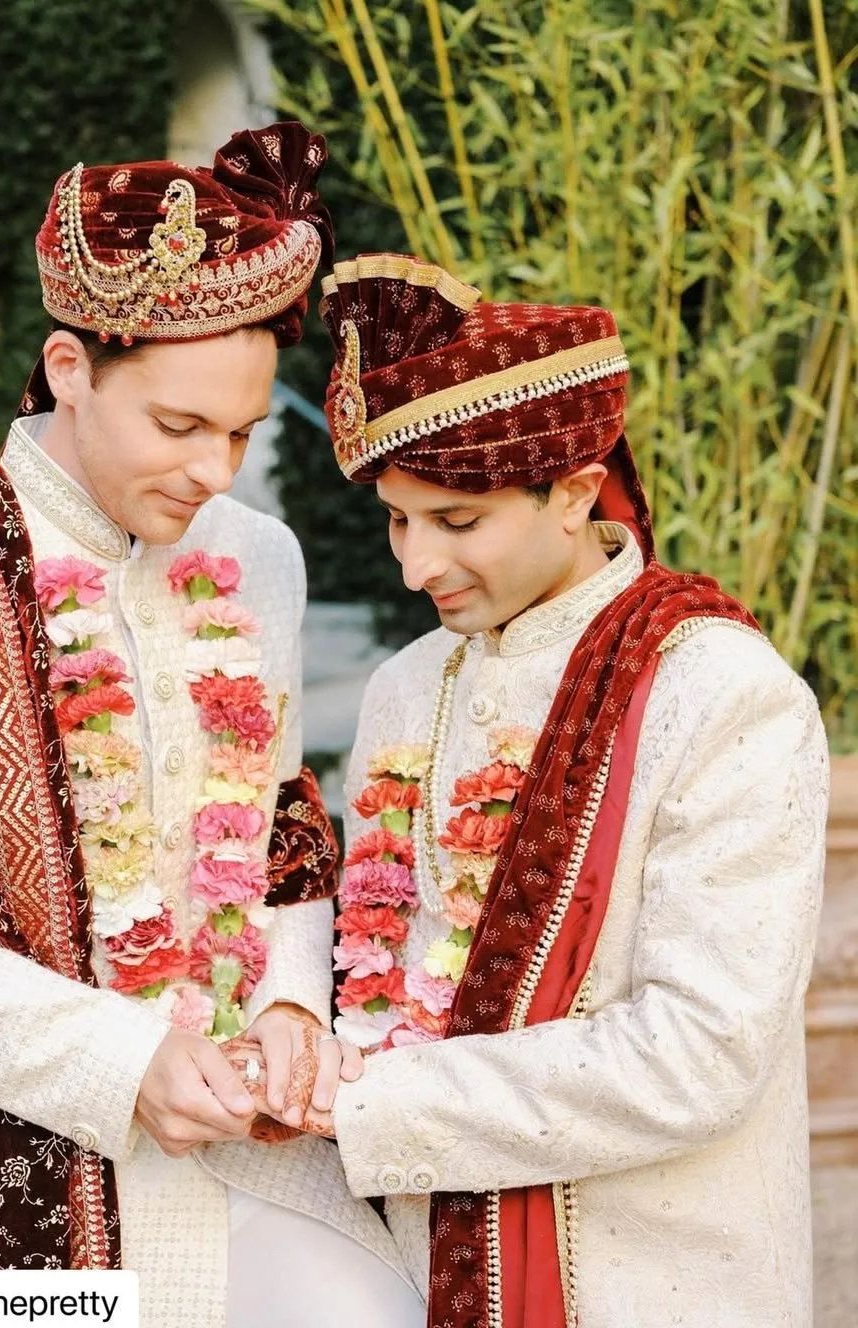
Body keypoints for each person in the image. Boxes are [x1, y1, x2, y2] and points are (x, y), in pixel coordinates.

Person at [0, 133, 424, 1327]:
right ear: (69, 366)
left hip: (247, 1159)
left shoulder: (259, 558)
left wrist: (289, 1002)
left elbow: (281, 823)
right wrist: (121, 1061)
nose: (214, 469)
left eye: (241, 433)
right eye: (179, 424)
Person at [317, 254, 828, 1327]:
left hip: (646, 1286)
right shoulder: (405, 686)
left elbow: (697, 1056)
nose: (416, 566)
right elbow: (371, 973)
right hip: (412, 1277)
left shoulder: (719, 694)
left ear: (575, 491)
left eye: (457, 522)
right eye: (398, 520)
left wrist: (370, 1101)